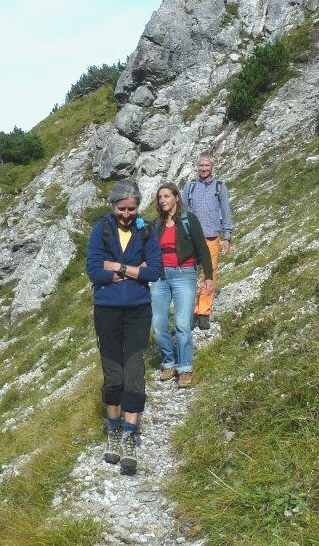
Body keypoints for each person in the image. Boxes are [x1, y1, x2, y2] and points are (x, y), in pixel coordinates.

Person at [86, 178, 162, 476]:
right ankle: (113, 430)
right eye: (122, 209)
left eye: (131, 209)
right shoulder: (100, 230)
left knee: (134, 373)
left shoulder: (146, 230)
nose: (127, 214)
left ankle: (130, 436)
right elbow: (93, 270)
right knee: (113, 375)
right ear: (113, 206)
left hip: (137, 311)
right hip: (107, 311)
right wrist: (134, 272)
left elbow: (154, 271)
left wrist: (115, 267)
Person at [150, 182, 215, 388]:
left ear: (177, 198)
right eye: (160, 198)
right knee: (159, 324)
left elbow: (202, 249)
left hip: (184, 274)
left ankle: (185, 368)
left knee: (181, 324)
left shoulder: (189, 220)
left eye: (167, 196)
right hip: (160, 277)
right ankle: (169, 362)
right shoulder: (156, 225)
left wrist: (209, 276)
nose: (163, 201)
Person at [182, 152, 234, 330]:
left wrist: (227, 237)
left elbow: (226, 211)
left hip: (212, 237)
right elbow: (183, 213)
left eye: (207, 166)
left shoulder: (220, 187)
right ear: (197, 166)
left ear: (213, 167)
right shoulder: (190, 186)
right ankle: (189, 312)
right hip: (191, 239)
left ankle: (203, 312)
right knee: (189, 275)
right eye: (201, 166)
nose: (204, 169)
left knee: (209, 274)